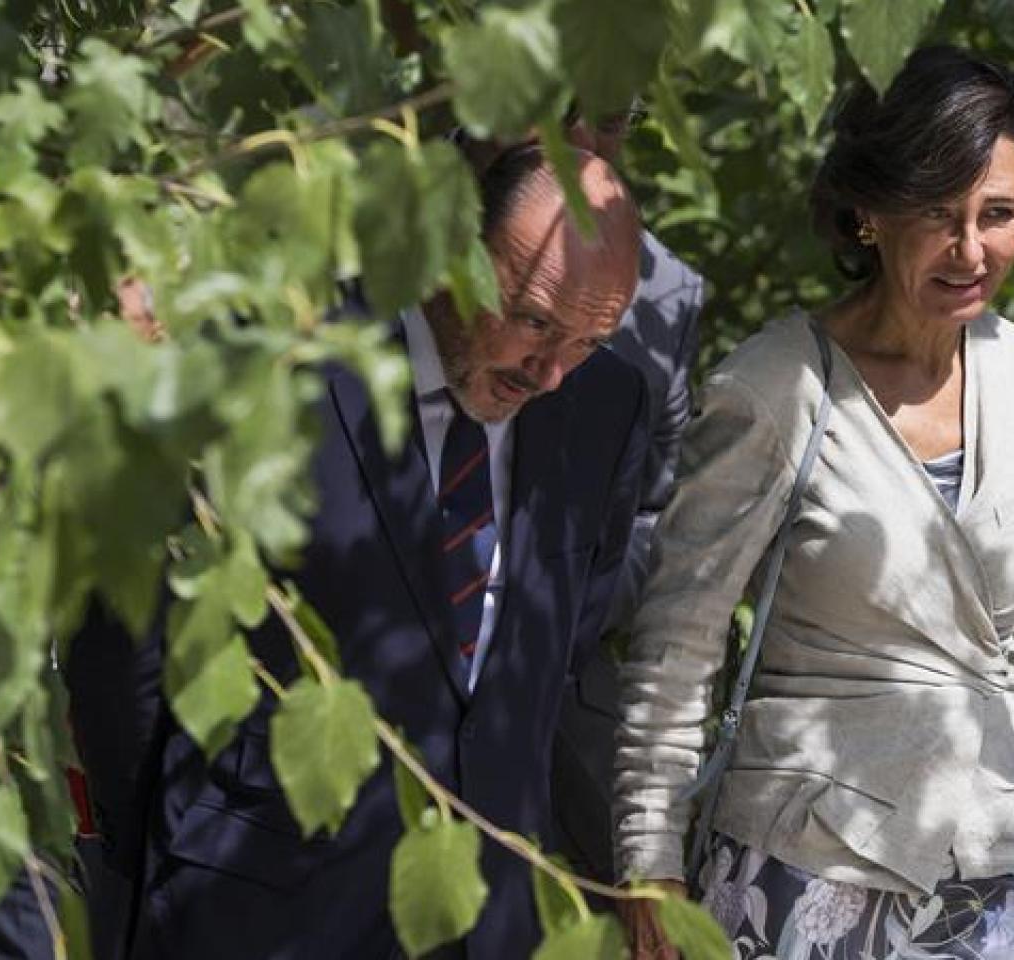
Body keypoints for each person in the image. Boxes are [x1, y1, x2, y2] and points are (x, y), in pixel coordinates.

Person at [66, 145, 651, 959]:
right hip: (255, 911)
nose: (550, 372)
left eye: (589, 339)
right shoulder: (280, 359)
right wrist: (173, 851)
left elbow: (556, 651)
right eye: (533, 320)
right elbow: (124, 637)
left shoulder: (608, 406)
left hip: (485, 918)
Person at [614, 45, 1014, 959]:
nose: (972, 250)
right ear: (870, 215)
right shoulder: (775, 385)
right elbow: (679, 643)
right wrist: (648, 858)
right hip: (804, 871)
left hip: (1001, 886)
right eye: (939, 216)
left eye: (999, 215)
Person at [546, 101, 710, 883]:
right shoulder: (372, 223)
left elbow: (658, 516)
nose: (582, 144)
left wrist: (558, 597)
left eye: (610, 123)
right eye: (558, 110)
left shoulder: (664, 292)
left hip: (566, 715)